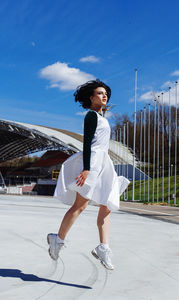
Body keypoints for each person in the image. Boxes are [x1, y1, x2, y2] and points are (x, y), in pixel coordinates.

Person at [47, 79, 130, 270]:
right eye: (100, 93)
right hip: (92, 162)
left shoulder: (103, 118)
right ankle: (57, 239)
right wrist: (86, 169)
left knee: (107, 205)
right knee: (80, 206)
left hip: (104, 163)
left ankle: (103, 247)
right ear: (91, 98)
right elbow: (86, 144)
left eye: (105, 93)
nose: (104, 95)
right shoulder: (91, 116)